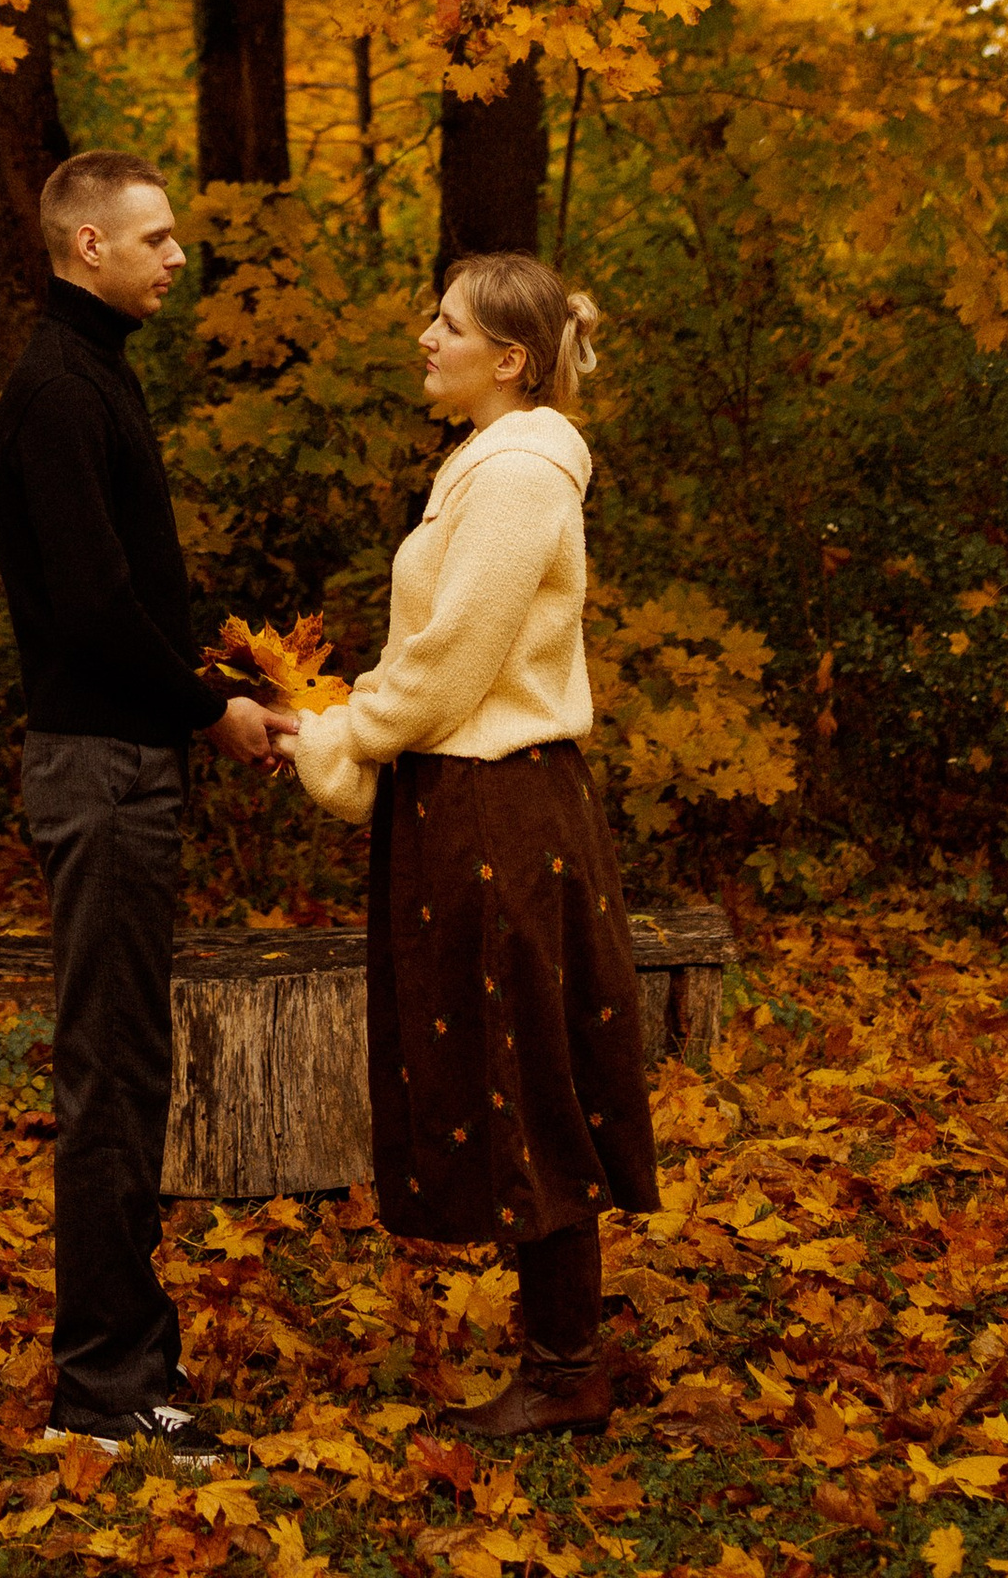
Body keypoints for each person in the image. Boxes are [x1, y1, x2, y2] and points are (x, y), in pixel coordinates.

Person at [286, 251, 657, 1438]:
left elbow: (455, 659)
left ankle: (561, 1370)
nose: (424, 339)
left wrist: (349, 734)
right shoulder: (489, 462)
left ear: (510, 358)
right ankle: (568, 1352)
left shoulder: (518, 473)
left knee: (522, 1069)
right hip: (479, 798)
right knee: (524, 1062)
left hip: (496, 802)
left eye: (445, 325)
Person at [0, 149, 282, 1471]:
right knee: (111, 1074)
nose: (176, 258)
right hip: (98, 773)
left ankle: (124, 1364)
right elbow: (94, 611)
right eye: (153, 238)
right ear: (85, 245)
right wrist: (205, 711)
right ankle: (105, 1386)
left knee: (132, 1065)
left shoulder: (98, 373)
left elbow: (138, 602)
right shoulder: (55, 390)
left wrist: (228, 685)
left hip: (127, 761)